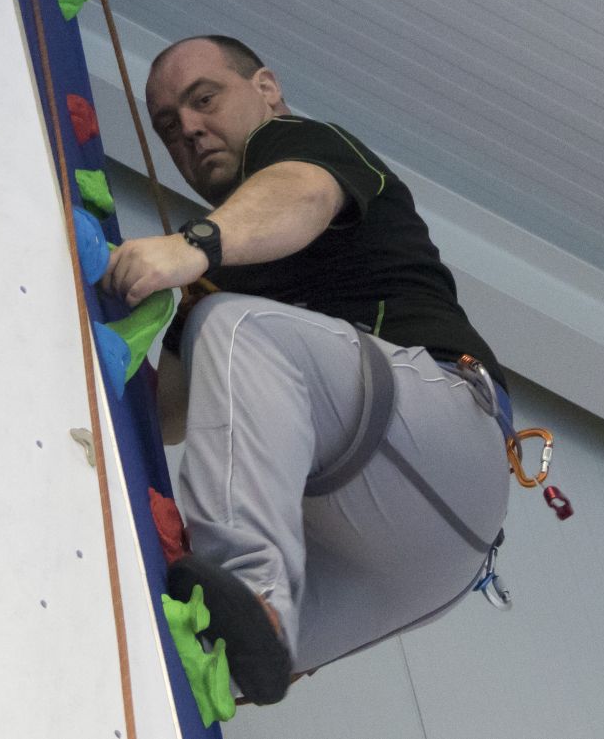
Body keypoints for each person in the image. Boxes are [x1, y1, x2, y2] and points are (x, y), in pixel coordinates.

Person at [105, 35, 512, 705]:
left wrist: (193, 245)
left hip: (440, 439)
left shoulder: (299, 147)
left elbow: (302, 195)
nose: (190, 130)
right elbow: (169, 416)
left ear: (266, 89)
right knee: (191, 655)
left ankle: (255, 585)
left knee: (235, 325)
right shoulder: (221, 261)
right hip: (416, 563)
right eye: (167, 127)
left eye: (204, 99)